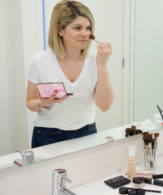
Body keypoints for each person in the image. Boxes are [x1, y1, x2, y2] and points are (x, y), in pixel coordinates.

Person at [26, 0, 114, 148]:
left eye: (88, 28)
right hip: (48, 135)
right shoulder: (39, 61)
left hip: (87, 133)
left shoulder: (96, 60)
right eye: (77, 28)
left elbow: (105, 105)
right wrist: (43, 103)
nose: (85, 34)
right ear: (60, 30)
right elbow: (30, 102)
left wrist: (102, 64)